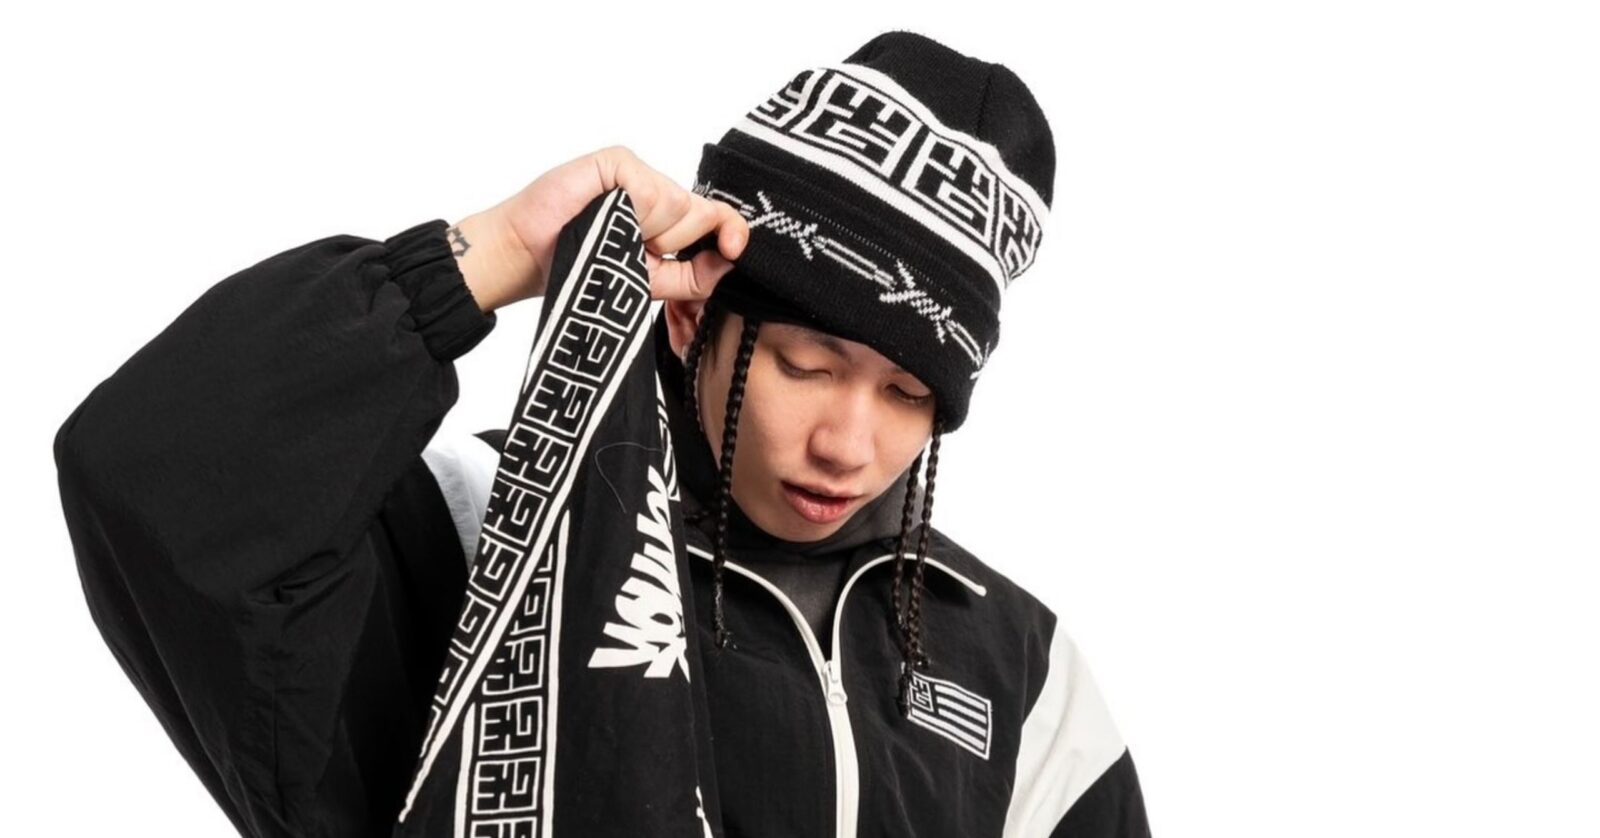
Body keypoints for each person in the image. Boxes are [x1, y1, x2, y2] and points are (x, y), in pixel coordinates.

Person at [54, 29, 1150, 837]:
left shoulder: (1023, 670)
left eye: (909, 395)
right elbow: (156, 475)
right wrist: (490, 257)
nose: (849, 444)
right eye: (806, 365)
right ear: (694, 316)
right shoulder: (489, 532)